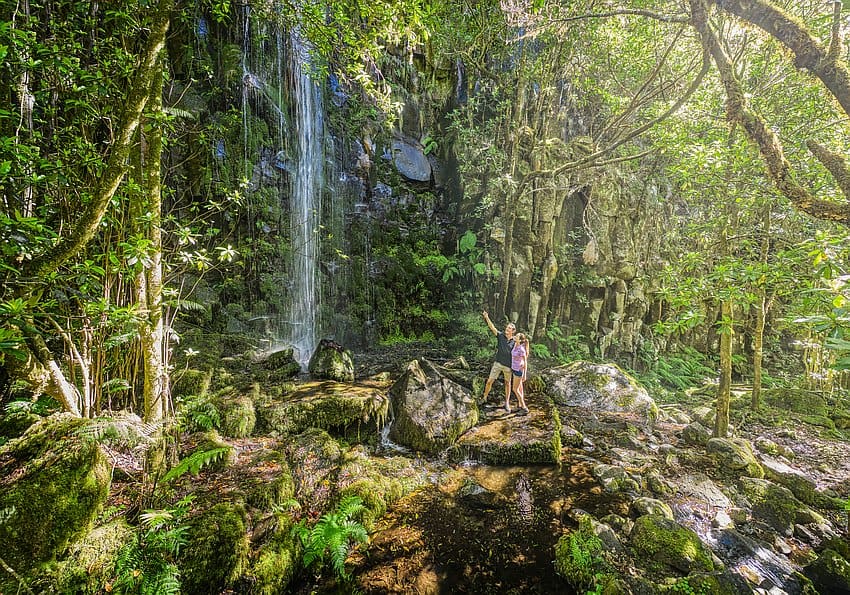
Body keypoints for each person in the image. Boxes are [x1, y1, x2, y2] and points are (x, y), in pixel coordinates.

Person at [481, 310, 515, 409]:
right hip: (498, 363)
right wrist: (486, 317)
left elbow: (521, 350)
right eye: (507, 327)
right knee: (489, 381)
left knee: (507, 384)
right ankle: (484, 397)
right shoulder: (501, 336)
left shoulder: (514, 342)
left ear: (513, 331)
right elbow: (492, 328)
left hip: (508, 366)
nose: (507, 329)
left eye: (509, 328)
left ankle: (507, 403)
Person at [511, 332, 530, 415]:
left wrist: (524, 374)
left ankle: (524, 408)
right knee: (520, 389)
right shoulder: (516, 345)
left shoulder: (521, 349)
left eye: (517, 336)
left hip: (519, 370)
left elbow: (525, 362)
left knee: (515, 389)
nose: (515, 336)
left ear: (520, 340)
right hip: (514, 369)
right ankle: (519, 405)